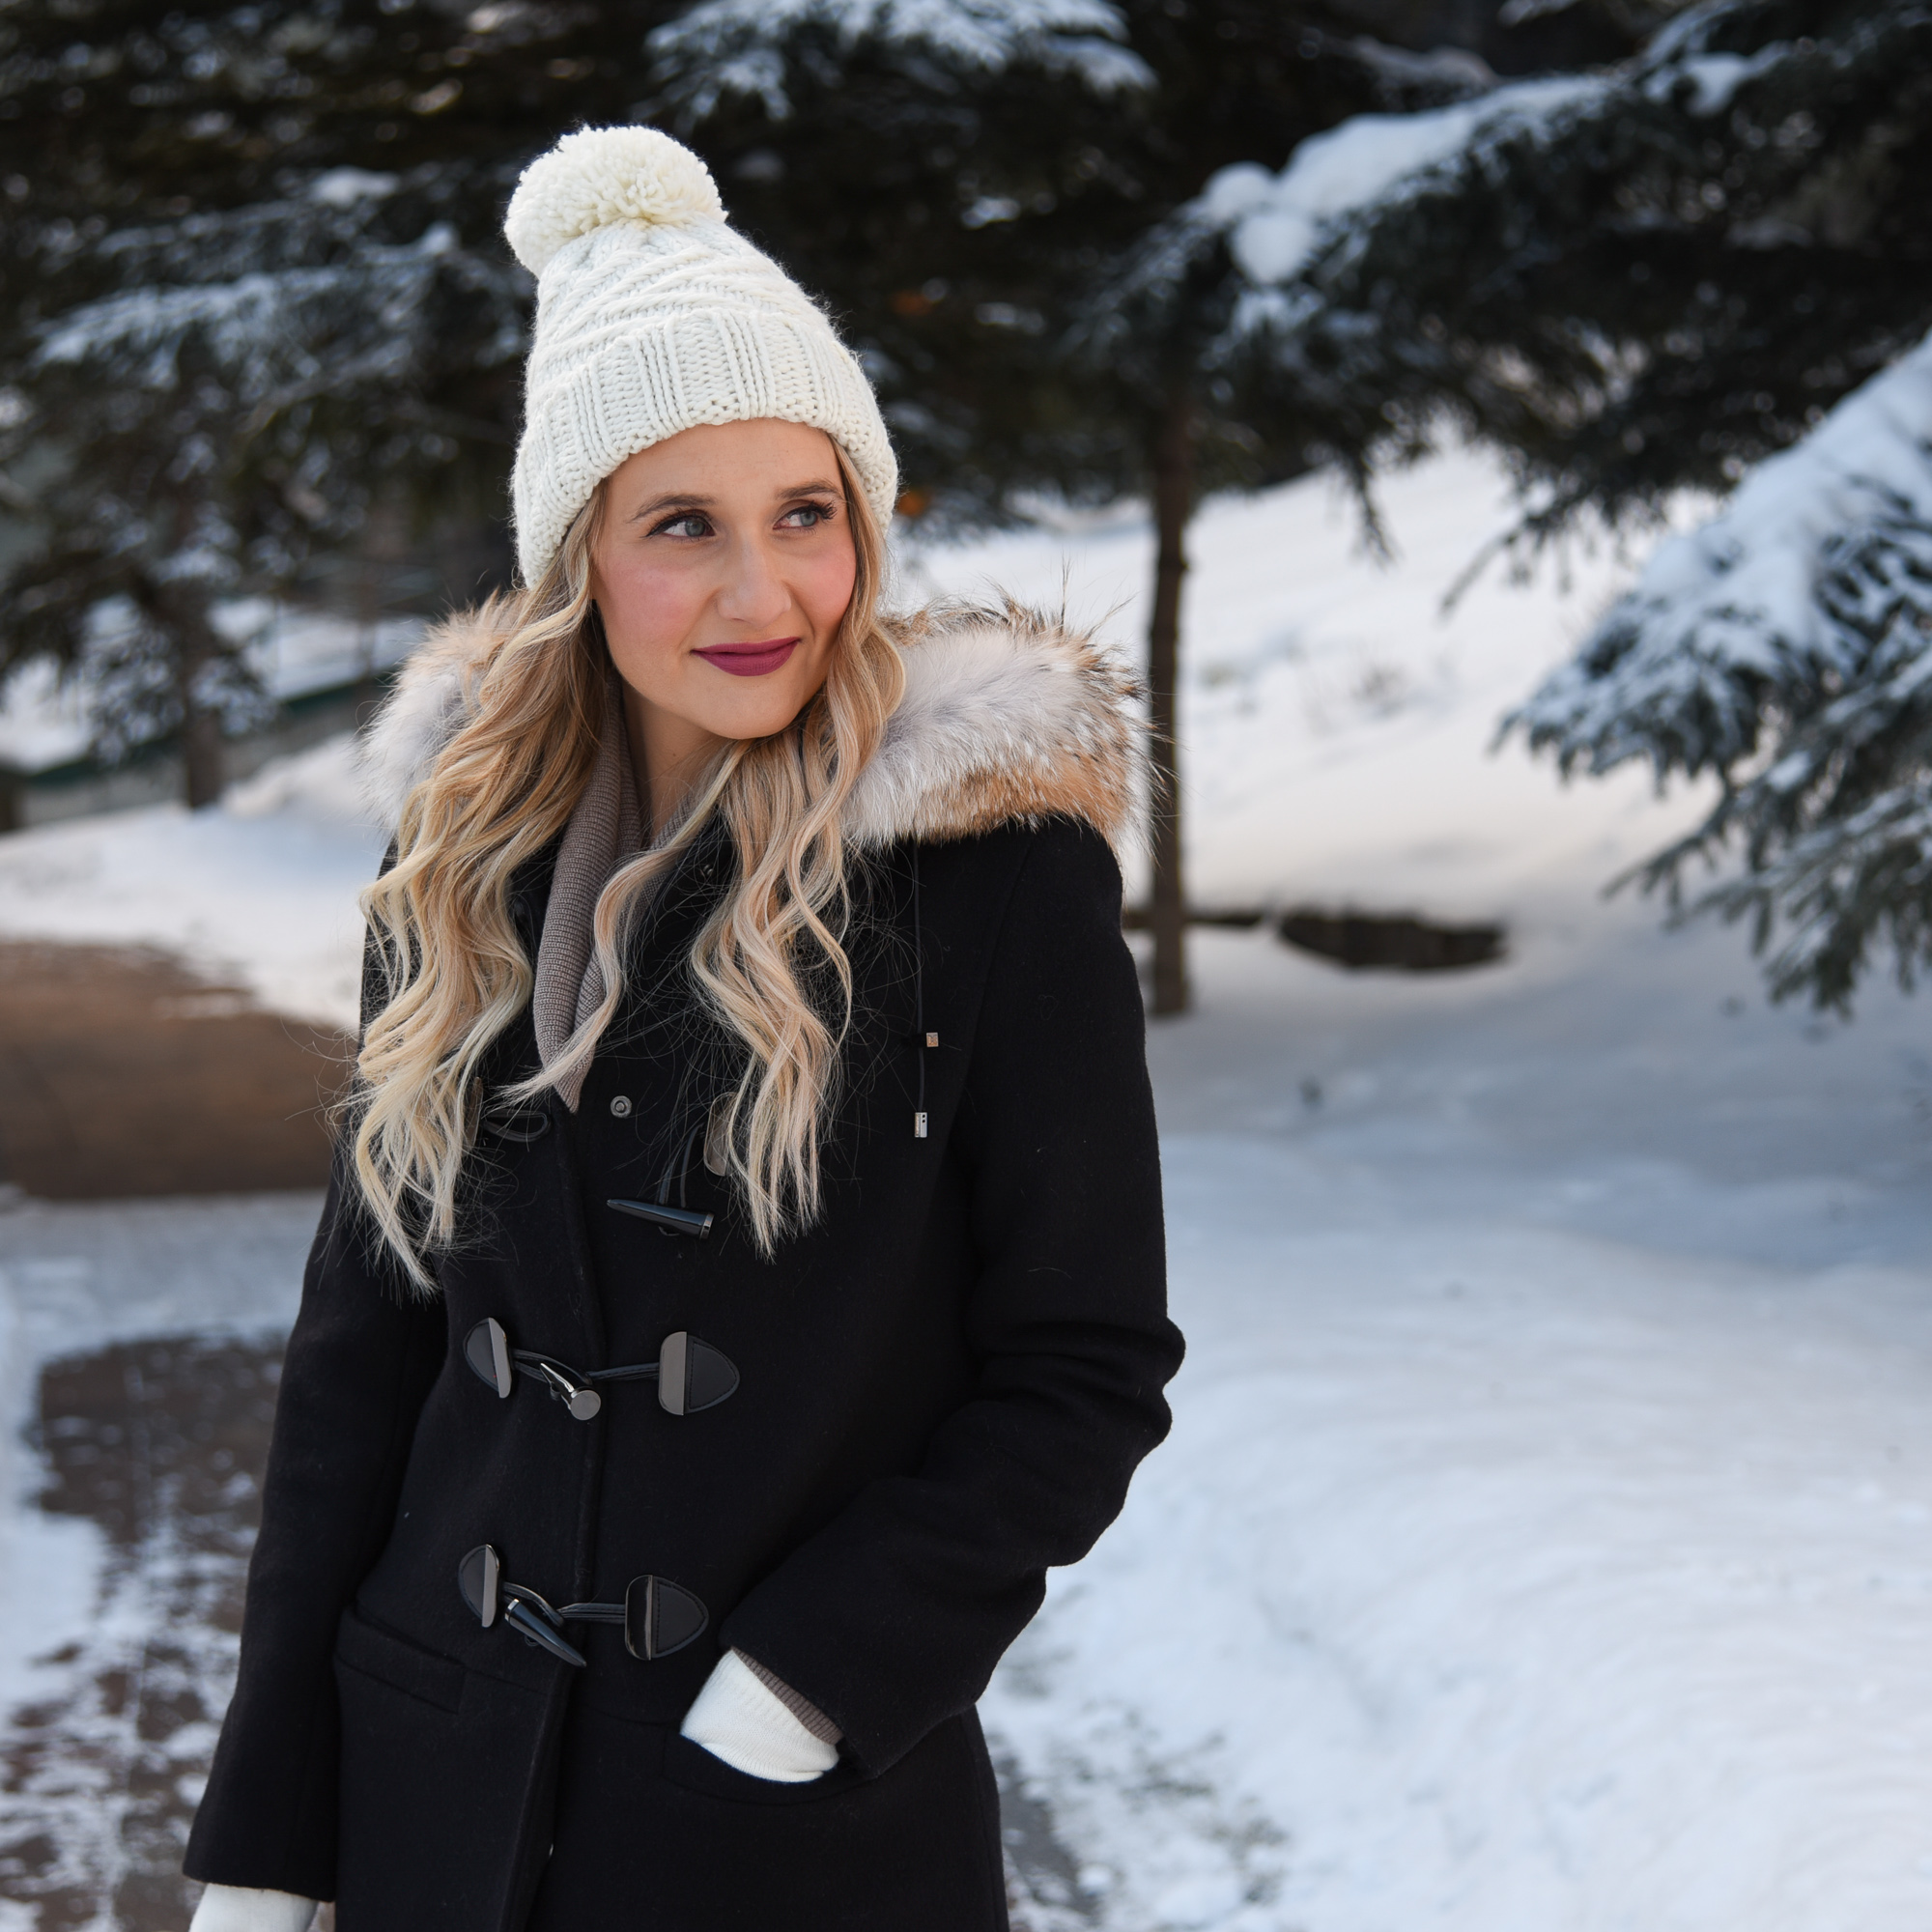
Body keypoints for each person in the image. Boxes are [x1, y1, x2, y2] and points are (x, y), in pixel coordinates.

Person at [181, 126, 1181, 1932]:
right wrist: (271, 1829)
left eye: (808, 514)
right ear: (580, 558)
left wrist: (808, 1690)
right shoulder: (461, 865)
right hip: (434, 1783)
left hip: (781, 1826)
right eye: (682, 527)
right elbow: (359, 1363)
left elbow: (1085, 1367)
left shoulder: (988, 884)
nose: (761, 593)